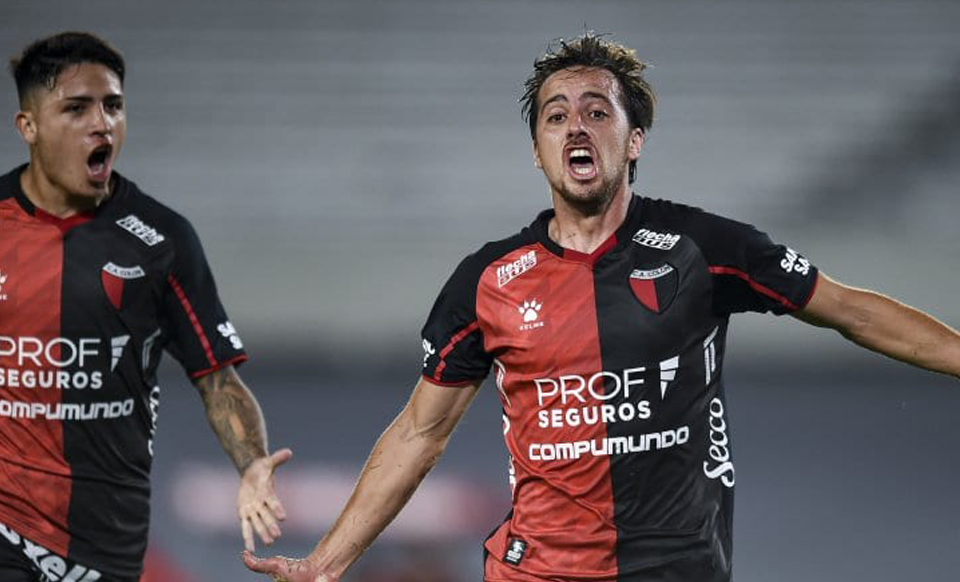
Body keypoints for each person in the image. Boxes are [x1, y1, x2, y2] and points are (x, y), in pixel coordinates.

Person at [243, 33, 960, 582]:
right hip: (537, 569)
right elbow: (418, 434)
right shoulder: (486, 281)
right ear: (538, 150)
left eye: (597, 111)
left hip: (676, 565)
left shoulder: (703, 248)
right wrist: (326, 564)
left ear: (634, 138)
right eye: (556, 116)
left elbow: (849, 310)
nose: (576, 127)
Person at [0, 31, 291, 582]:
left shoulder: (161, 240)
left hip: (107, 542)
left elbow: (217, 381)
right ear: (29, 126)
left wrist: (253, 463)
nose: (102, 123)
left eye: (113, 106)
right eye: (77, 108)